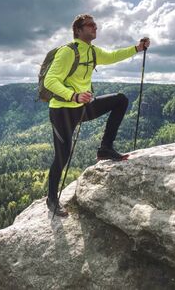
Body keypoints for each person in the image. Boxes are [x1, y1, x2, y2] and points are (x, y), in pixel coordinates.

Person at [44, 13, 150, 217]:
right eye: (90, 25)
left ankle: (105, 148)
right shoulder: (68, 52)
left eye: (95, 25)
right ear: (78, 30)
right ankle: (52, 198)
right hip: (62, 111)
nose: (95, 28)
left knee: (120, 99)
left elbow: (112, 56)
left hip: (82, 107)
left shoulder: (92, 52)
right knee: (62, 155)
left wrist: (137, 49)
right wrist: (73, 95)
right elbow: (50, 81)